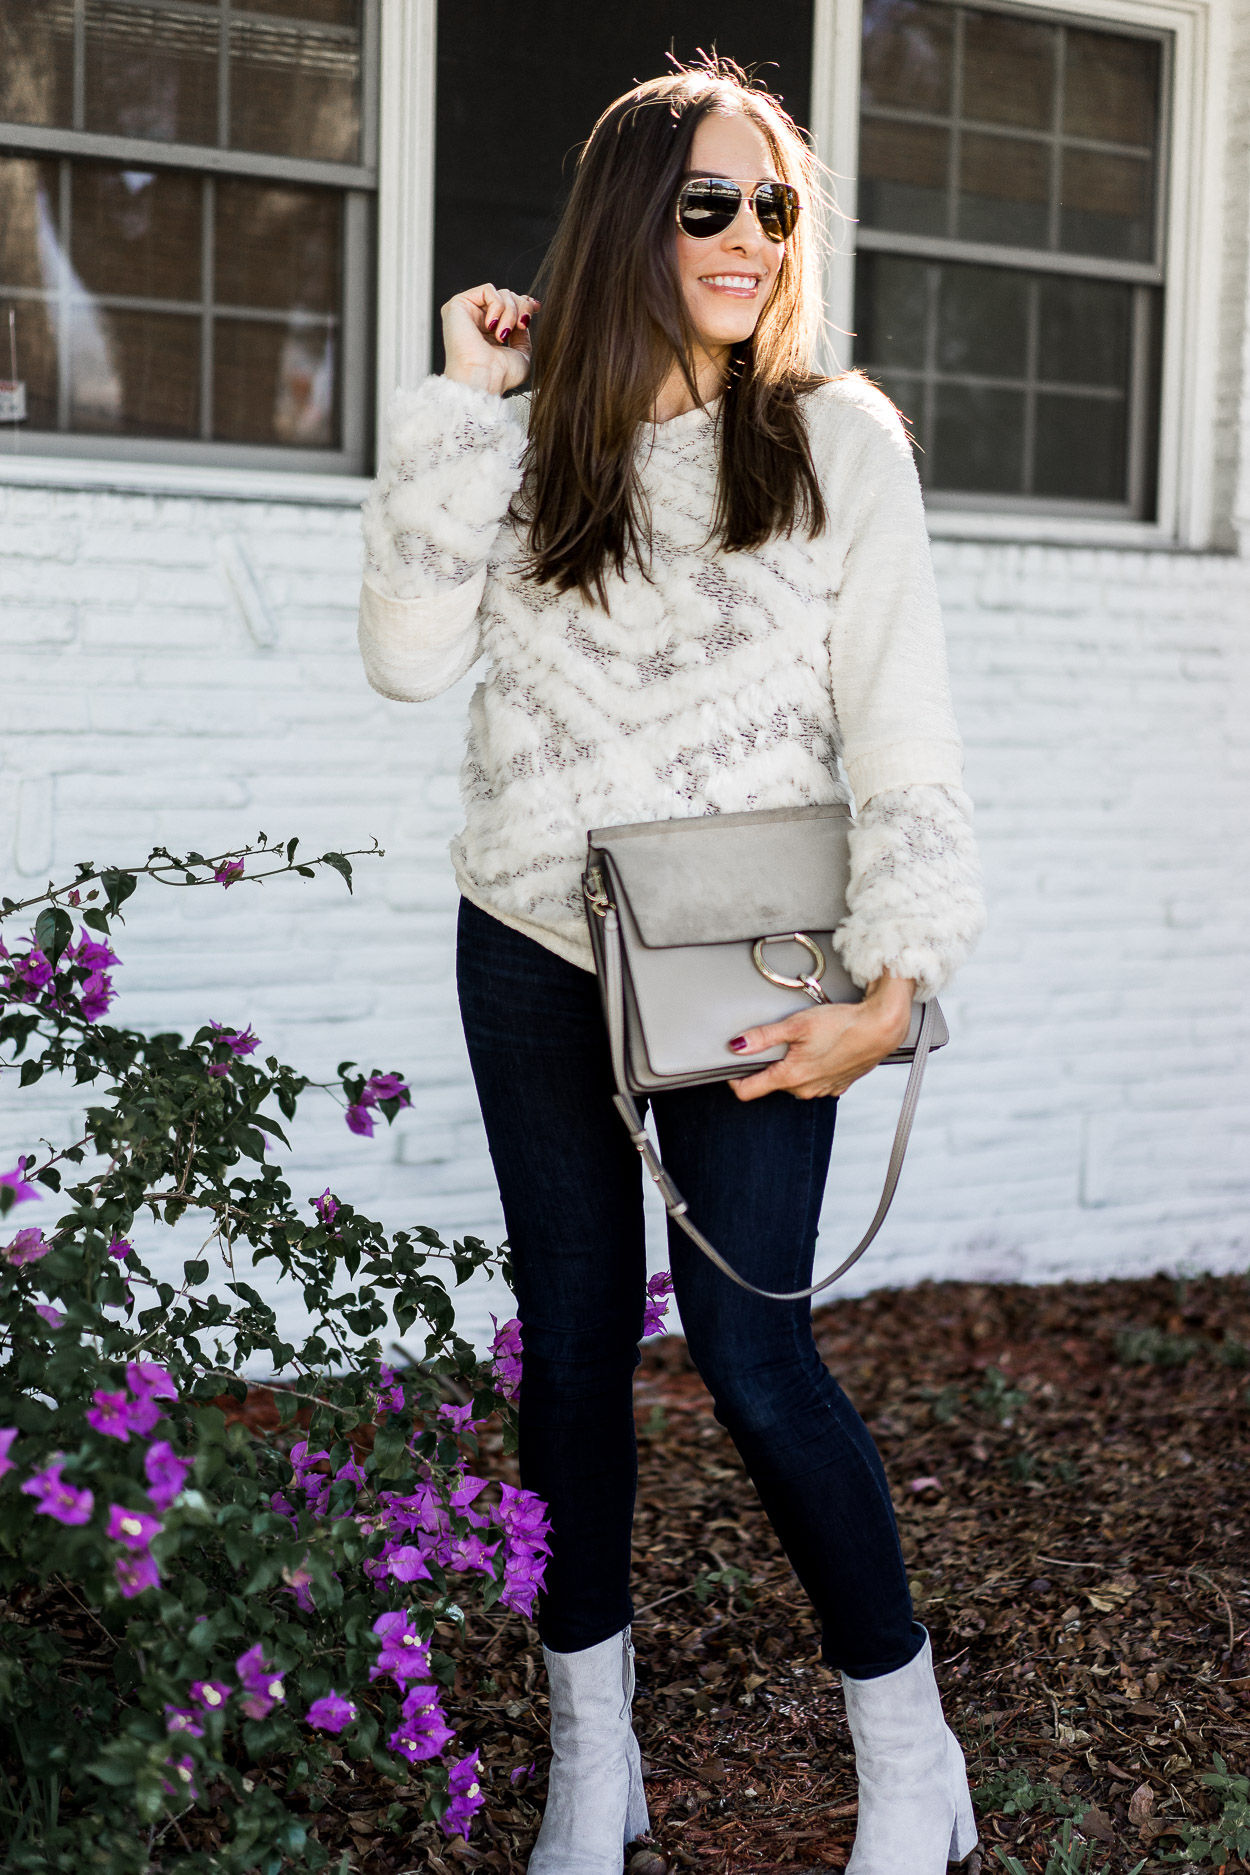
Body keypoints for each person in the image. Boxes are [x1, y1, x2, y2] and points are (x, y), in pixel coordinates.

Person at [358, 59, 985, 1875]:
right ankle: (590, 1764)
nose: (742, 238)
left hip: (752, 961)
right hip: (533, 941)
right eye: (707, 203)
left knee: (751, 1349)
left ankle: (911, 1755)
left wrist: (896, 980)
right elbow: (406, 658)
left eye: (773, 207)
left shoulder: (837, 438)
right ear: (633, 217)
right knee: (569, 1351)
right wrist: (464, 409)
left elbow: (905, 737)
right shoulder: (534, 427)